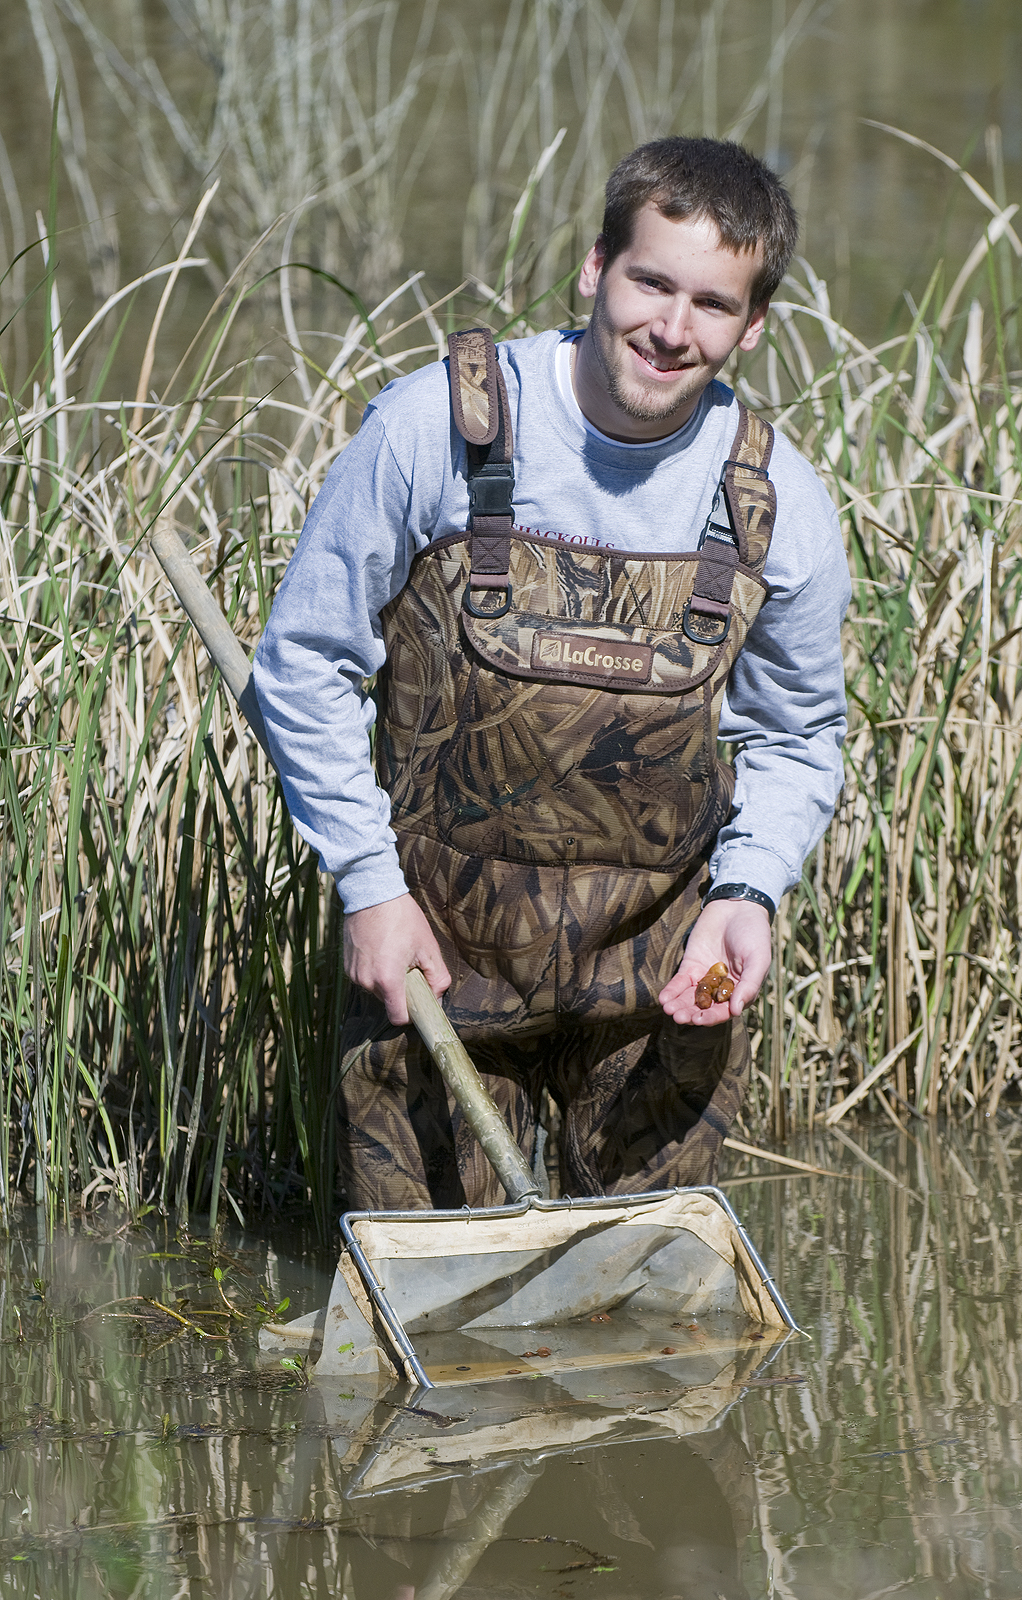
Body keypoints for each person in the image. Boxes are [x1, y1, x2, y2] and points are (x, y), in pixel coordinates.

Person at [253, 136, 850, 1210]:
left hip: (656, 1002)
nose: (671, 329)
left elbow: (800, 732)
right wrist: (368, 884)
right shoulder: (433, 429)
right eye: (650, 281)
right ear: (593, 267)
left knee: (652, 1336)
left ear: (752, 325)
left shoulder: (779, 501)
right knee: (436, 1343)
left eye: (712, 304)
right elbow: (301, 665)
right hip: (432, 976)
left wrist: (750, 890)